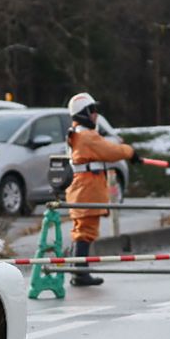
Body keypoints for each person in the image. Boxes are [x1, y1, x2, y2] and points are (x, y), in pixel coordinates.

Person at [63, 92, 138, 287]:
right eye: (92, 111)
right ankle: (80, 272)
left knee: (81, 230)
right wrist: (130, 152)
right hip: (87, 188)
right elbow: (110, 151)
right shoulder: (86, 136)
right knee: (85, 231)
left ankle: (78, 269)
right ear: (82, 113)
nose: (95, 115)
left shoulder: (77, 133)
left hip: (82, 187)